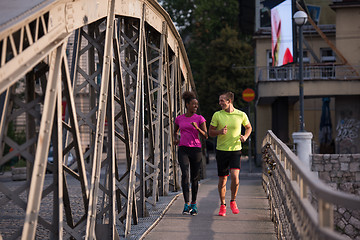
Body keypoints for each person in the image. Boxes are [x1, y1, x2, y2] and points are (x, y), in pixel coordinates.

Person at [209, 91, 252, 216]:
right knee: (223, 180)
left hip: (235, 149)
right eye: (219, 100)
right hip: (221, 150)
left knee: (235, 176)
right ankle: (223, 205)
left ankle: (233, 201)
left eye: (222, 100)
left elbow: (249, 127)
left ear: (229, 101)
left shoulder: (241, 114)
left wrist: (245, 136)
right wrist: (219, 132)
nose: (220, 103)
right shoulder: (217, 115)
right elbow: (210, 132)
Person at [174, 91, 208, 215]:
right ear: (187, 104)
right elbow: (175, 131)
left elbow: (206, 135)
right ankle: (186, 204)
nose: (196, 107)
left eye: (197, 105)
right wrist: (175, 138)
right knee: (185, 175)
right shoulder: (179, 118)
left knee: (194, 178)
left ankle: (194, 204)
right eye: (193, 104)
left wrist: (197, 128)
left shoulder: (200, 118)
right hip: (183, 149)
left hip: (196, 150)